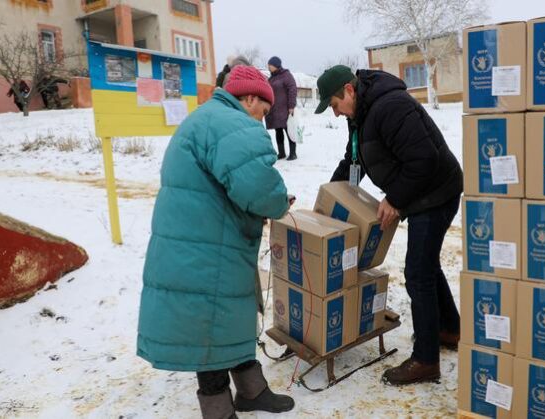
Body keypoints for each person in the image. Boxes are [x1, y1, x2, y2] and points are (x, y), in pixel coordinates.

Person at [137, 65, 295, 418]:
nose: (262, 120)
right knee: (209, 327)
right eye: (264, 112)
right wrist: (279, 202)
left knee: (229, 317)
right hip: (204, 247)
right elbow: (257, 186)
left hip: (204, 237)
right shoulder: (231, 123)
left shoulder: (210, 117)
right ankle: (218, 410)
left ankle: (251, 390)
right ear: (250, 98)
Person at [315, 65, 463, 386]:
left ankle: (426, 360)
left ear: (349, 90)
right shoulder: (360, 117)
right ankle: (449, 328)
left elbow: (424, 157)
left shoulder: (389, 106)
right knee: (426, 265)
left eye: (334, 105)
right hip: (422, 193)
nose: (336, 113)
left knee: (417, 273)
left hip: (436, 192)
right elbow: (353, 162)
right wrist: (327, 201)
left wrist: (395, 198)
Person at [265, 56, 298, 160]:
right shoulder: (271, 78)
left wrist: (291, 106)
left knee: (289, 130)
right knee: (278, 131)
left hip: (285, 109)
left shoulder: (286, 75)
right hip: (274, 110)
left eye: (270, 65)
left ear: (276, 65)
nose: (268, 67)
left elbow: (292, 90)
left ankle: (293, 153)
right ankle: (281, 153)